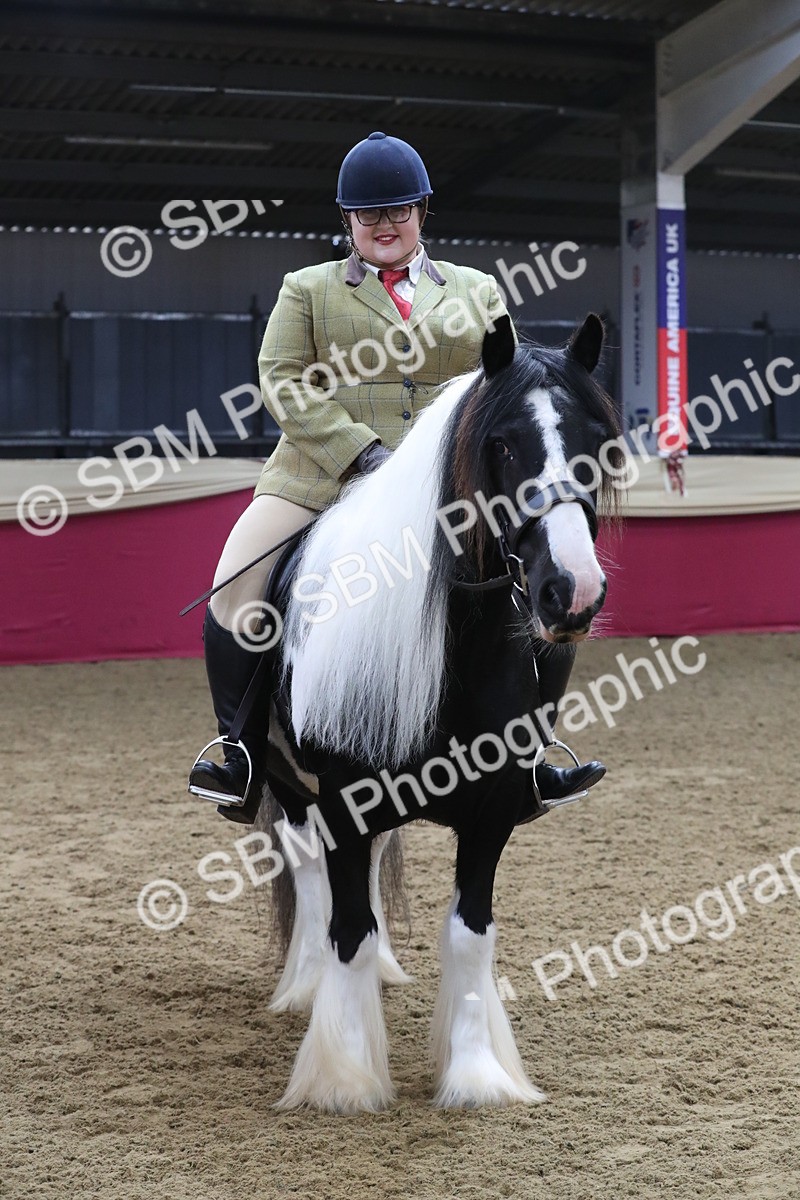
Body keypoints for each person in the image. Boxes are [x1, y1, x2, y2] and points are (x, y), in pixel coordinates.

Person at [188, 131, 603, 822]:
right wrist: (360, 452)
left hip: (447, 491)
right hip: (322, 477)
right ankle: (242, 755)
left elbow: (503, 389)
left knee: (546, 585)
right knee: (235, 588)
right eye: (370, 214)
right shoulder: (308, 290)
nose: (386, 224)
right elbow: (282, 381)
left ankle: (533, 753)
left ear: (423, 211)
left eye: (400, 210)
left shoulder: (476, 290)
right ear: (347, 221)